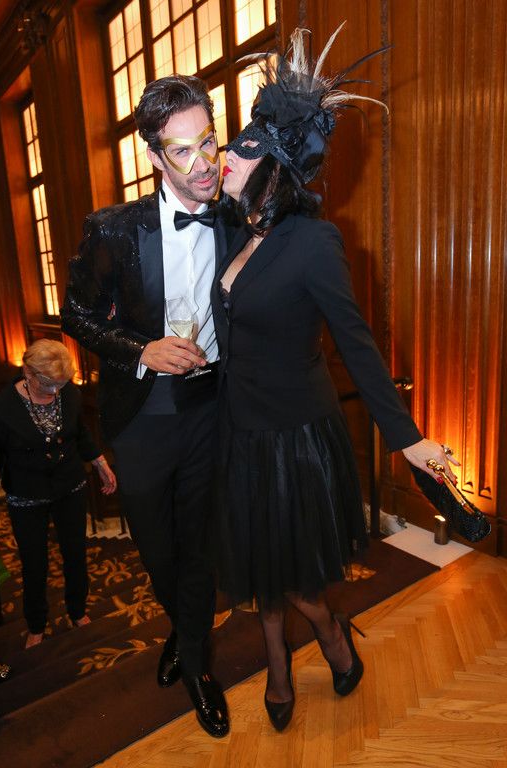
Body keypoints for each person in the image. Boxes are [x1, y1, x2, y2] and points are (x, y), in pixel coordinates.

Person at [211, 27, 459, 732]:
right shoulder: (234, 231)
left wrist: (408, 439)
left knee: (291, 575)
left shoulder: (314, 242)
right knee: (261, 570)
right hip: (240, 430)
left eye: (243, 149)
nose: (227, 157)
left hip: (293, 437)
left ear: (274, 165)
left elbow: (357, 344)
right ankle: (278, 667)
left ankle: (328, 632)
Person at [61, 76, 232, 738]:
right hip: (140, 414)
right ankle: (185, 630)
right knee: (158, 549)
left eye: (208, 142)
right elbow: (77, 315)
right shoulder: (113, 229)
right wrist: (142, 349)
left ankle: (197, 663)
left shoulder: (236, 214)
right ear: (157, 157)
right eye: (182, 151)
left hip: (212, 405)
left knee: (200, 545)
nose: (203, 163)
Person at [0, 339, 116, 648]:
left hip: (69, 486)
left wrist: (100, 463)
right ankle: (36, 624)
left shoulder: (68, 392)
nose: (54, 392)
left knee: (75, 554)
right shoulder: (3, 406)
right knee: (34, 563)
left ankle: (78, 610)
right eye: (48, 384)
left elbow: (81, 434)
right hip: (26, 495)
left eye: (60, 385)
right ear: (28, 372)